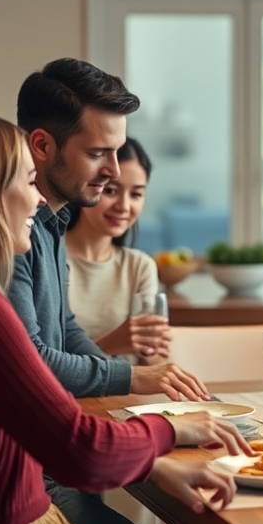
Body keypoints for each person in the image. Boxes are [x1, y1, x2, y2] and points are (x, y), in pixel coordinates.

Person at [0, 113, 253, 524]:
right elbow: (83, 452)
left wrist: (151, 465)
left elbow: (31, 434)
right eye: (29, 182)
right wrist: (173, 425)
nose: (37, 201)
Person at [9, 57, 212, 524]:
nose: (112, 171)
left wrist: (137, 375)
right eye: (100, 152)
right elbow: (33, 359)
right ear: (42, 145)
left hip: (52, 470)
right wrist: (132, 377)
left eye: (117, 152)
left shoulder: (53, 223)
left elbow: (66, 330)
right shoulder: (15, 234)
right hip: (36, 482)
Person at [65, 136, 168, 365]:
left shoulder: (139, 267)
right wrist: (111, 343)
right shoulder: (47, 257)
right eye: (111, 191)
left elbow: (150, 359)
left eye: (136, 194)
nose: (124, 206)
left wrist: (155, 355)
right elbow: (42, 363)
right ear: (89, 186)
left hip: (128, 396)